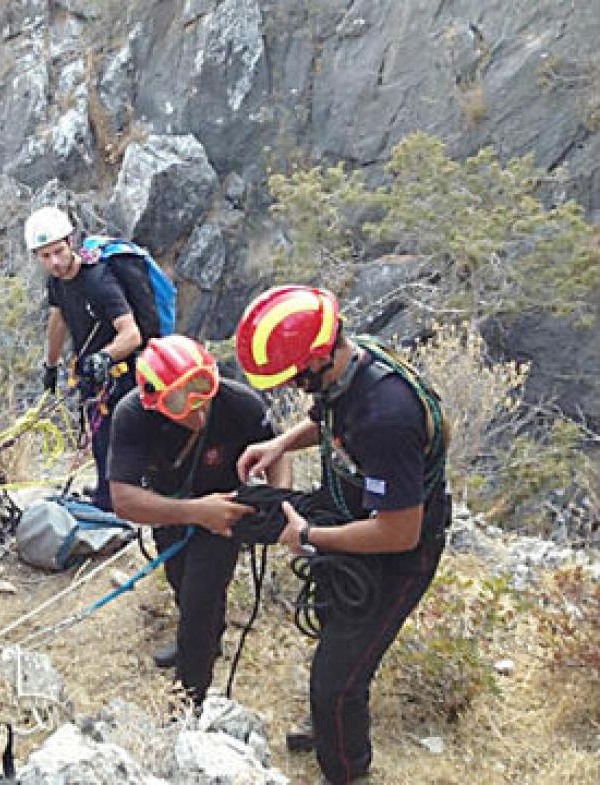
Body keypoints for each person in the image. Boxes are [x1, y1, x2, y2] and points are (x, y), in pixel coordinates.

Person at [234, 285, 451, 785]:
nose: (292, 387)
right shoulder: (353, 363)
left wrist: (311, 535)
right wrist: (281, 443)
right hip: (359, 512)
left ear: (320, 360)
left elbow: (399, 532)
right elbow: (329, 415)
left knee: (336, 682)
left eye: (295, 378)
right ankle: (331, 727)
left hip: (400, 548)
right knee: (335, 632)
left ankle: (347, 769)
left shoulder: (387, 418)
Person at [107, 335, 291, 706]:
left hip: (223, 514)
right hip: (170, 507)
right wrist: (194, 511)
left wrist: (276, 497)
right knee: (180, 581)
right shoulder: (133, 416)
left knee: (200, 600)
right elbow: (123, 499)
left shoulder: (239, 403)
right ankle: (206, 638)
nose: (199, 408)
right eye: (180, 398)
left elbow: (276, 451)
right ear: (155, 400)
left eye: (202, 387)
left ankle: (189, 698)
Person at [25, 206, 150, 511]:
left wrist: (103, 358)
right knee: (98, 436)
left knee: (113, 436)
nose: (54, 262)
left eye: (58, 251)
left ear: (71, 242)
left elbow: (131, 334)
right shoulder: (57, 283)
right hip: (94, 373)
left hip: (122, 371)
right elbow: (58, 321)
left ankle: (117, 500)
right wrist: (50, 366)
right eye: (45, 256)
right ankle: (107, 495)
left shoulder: (98, 281)